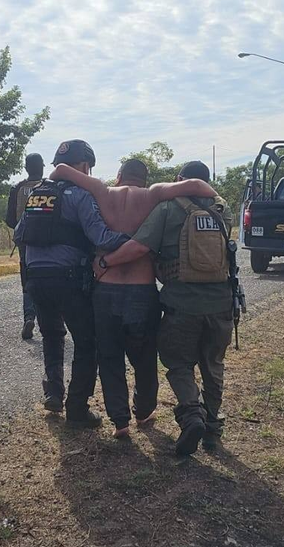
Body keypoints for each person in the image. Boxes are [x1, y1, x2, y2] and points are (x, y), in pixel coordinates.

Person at [51, 158, 218, 439]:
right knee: (144, 357)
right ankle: (143, 411)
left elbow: (59, 171)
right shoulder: (153, 193)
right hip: (142, 290)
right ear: (144, 177)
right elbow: (199, 186)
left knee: (110, 356)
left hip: (105, 289)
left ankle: (120, 422)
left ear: (119, 176)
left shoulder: (102, 191)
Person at [100, 161, 234, 455]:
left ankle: (191, 415)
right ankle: (212, 428)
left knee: (178, 364)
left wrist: (104, 262)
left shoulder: (168, 209)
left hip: (182, 304)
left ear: (179, 180)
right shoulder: (223, 211)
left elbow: (139, 247)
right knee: (213, 365)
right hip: (223, 302)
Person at [13, 139, 129, 429]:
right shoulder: (79, 195)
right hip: (67, 280)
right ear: (84, 166)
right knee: (86, 342)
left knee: (52, 336)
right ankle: (77, 407)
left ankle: (54, 391)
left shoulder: (36, 195)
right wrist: (134, 241)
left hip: (36, 280)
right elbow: (101, 237)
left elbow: (18, 234)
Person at [6, 153, 46, 340]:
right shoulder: (49, 187)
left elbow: (10, 219)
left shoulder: (17, 188)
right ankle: (50, 319)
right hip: (48, 240)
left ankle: (28, 317)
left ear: (26, 168)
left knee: (27, 280)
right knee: (48, 275)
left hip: (24, 241)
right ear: (43, 167)